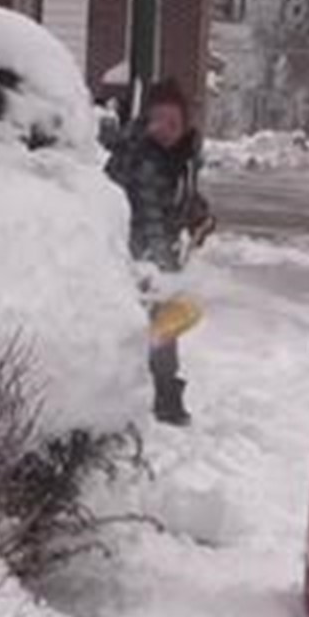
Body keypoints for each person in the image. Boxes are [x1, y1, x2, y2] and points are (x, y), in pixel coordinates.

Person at [106, 79, 215, 426]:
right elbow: (150, 215)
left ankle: (159, 393)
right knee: (157, 323)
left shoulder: (178, 156)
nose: (166, 130)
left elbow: (180, 197)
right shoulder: (143, 159)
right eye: (159, 121)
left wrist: (197, 211)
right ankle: (159, 398)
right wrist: (165, 271)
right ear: (146, 120)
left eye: (174, 123)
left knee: (162, 324)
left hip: (151, 253)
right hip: (130, 253)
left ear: (185, 125)